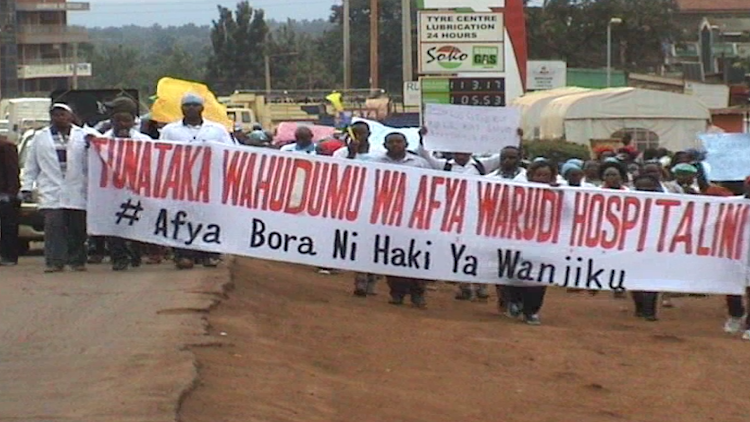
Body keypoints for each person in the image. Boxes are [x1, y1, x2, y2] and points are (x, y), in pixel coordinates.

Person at [416, 126, 503, 302]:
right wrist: (422, 138)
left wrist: (515, 138)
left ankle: (480, 285)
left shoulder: (480, 165)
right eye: (458, 151)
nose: (461, 154)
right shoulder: (445, 166)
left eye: (464, 151)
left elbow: (503, 156)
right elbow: (425, 156)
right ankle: (464, 286)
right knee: (457, 250)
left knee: (479, 249)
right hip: (453, 216)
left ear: (470, 151)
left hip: (477, 215)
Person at [160, 92, 235, 270]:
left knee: (209, 217)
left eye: (195, 105)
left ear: (202, 108)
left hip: (210, 183)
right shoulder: (170, 130)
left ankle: (209, 254)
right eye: (187, 105)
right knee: (181, 217)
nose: (191, 108)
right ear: (181, 108)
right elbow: (161, 153)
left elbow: (230, 153)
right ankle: (183, 254)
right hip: (180, 183)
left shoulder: (217, 130)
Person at [20, 104, 90, 273]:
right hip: (51, 189)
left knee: (76, 228)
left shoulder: (84, 136)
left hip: (77, 189)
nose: (59, 118)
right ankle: (54, 262)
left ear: (70, 116)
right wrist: (27, 187)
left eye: (62, 114)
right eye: (55, 115)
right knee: (53, 227)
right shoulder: (40, 137)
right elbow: (31, 165)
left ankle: (77, 261)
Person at [370, 132, 433, 308]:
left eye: (399, 142)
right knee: (393, 256)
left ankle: (417, 293)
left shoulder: (420, 163)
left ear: (406, 144)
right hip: (389, 217)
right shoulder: (375, 164)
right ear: (385, 145)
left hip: (415, 216)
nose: (396, 145)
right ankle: (396, 293)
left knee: (416, 256)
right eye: (392, 142)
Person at [502, 159, 558, 325]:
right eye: (538, 175)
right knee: (515, 272)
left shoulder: (560, 192)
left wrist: (559, 194)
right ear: (530, 175)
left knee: (538, 277)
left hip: (544, 242)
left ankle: (531, 311)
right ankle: (515, 300)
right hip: (518, 239)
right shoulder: (517, 190)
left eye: (546, 175)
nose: (542, 178)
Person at [102, 97, 154, 271]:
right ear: (111, 121)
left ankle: (135, 253)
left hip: (136, 191)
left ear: (133, 121)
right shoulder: (101, 141)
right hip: (110, 191)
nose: (122, 123)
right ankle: (118, 257)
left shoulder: (145, 141)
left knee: (135, 222)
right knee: (113, 224)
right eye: (117, 120)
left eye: (126, 120)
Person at [335, 121, 378, 296]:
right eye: (356, 133)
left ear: (369, 134)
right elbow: (338, 175)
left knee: (373, 244)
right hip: (352, 206)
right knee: (358, 243)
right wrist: (351, 155)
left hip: (376, 205)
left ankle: (371, 280)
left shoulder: (378, 155)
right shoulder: (340, 154)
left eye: (363, 133)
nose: (360, 137)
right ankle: (360, 280)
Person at [630, 174, 663, 321]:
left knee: (653, 276)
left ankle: (650, 310)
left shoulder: (667, 204)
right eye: (640, 188)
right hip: (632, 245)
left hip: (656, 245)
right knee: (633, 276)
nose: (644, 191)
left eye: (649, 189)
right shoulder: (628, 204)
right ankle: (639, 306)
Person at [0, 135, 21, 266]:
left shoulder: (6, 147)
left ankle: (8, 256)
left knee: (8, 227)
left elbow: (13, 171)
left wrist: (12, 193)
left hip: (5, 194)